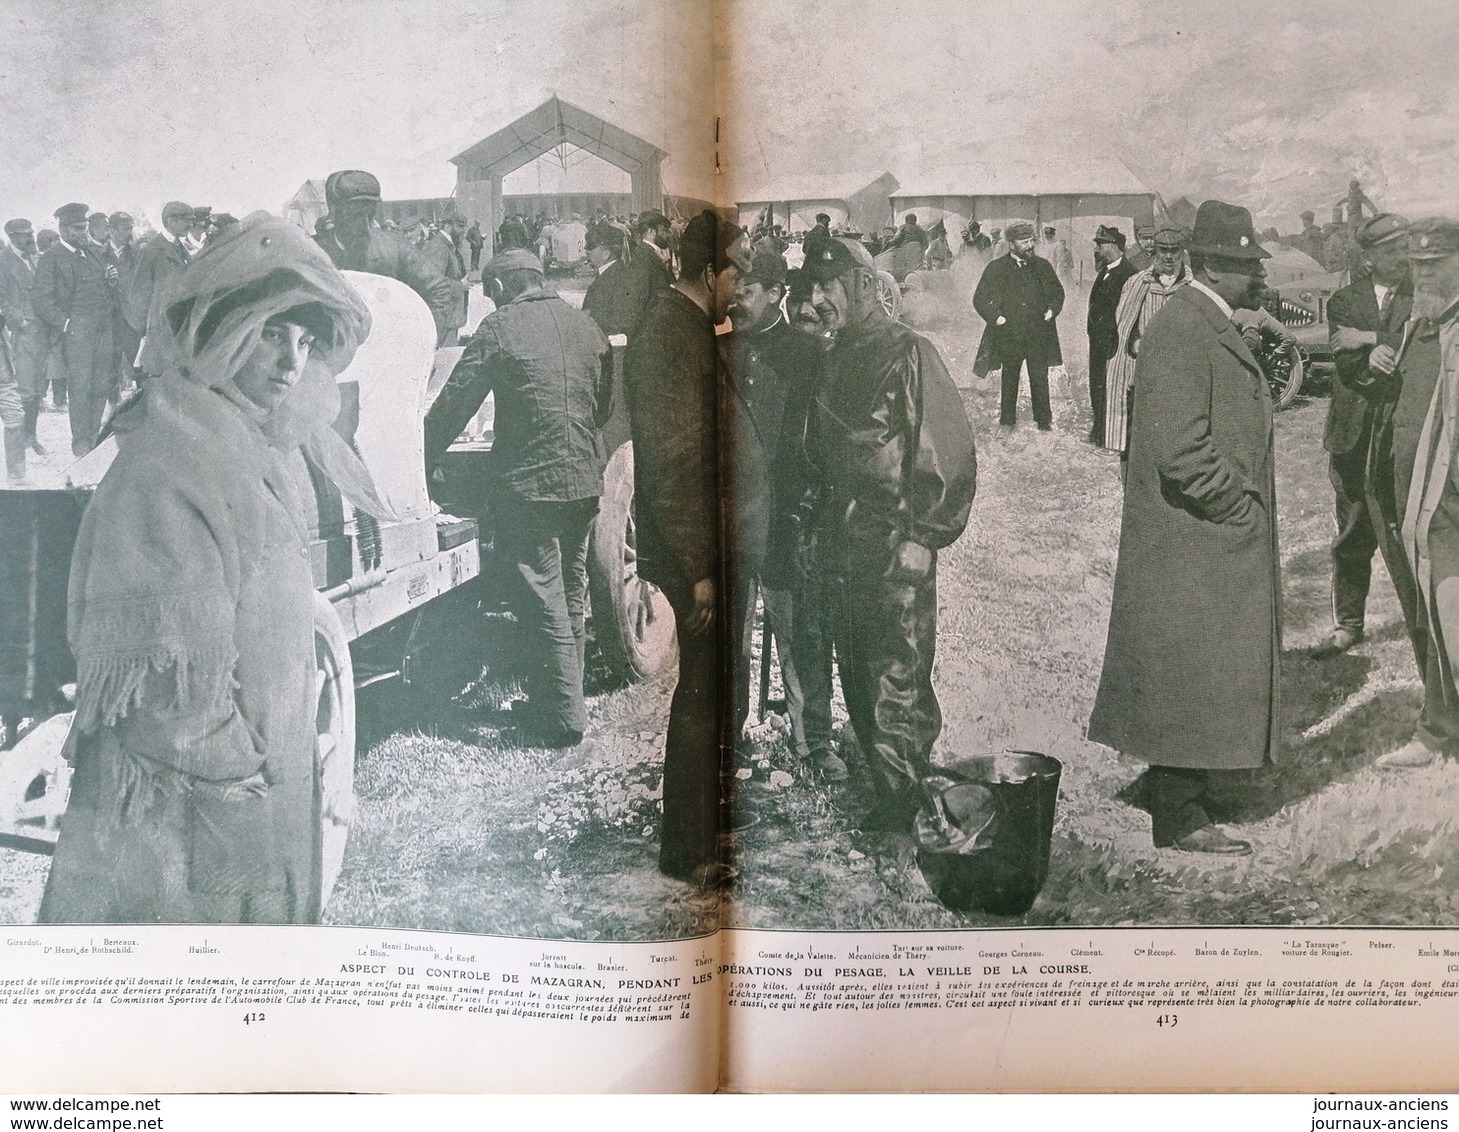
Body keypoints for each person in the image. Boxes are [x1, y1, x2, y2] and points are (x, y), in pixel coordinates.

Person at [39, 213, 372, 924]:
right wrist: (243, 785)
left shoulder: (251, 451)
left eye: (305, 342)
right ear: (222, 336)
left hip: (253, 791)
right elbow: (167, 694)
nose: (290, 361)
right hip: (183, 826)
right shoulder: (172, 464)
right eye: (272, 335)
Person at [1088, 200, 1278, 855]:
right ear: (1214, 266)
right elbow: (1177, 447)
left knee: (1194, 660)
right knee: (1187, 664)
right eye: (1245, 266)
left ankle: (1184, 780)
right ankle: (1179, 813)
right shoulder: (1182, 325)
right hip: (1194, 530)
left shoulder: (1203, 319)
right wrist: (1236, 506)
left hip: (1200, 531)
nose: (1255, 278)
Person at [799, 236, 977, 833]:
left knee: (895, 675)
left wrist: (923, 536)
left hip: (893, 542)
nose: (819, 300)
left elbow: (945, 452)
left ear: (860, 286)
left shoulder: (910, 352)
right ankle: (891, 793)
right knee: (856, 669)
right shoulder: (830, 357)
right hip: (840, 545)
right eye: (812, 288)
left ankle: (909, 813)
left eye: (831, 287)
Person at [424, 249, 612, 748]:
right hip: (585, 480)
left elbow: (455, 403)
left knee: (540, 593)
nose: (491, 303)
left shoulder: (500, 328)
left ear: (503, 287)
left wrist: (418, 456)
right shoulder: (586, 324)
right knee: (570, 587)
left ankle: (563, 719)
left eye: (491, 294)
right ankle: (561, 700)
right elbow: (604, 404)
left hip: (531, 484)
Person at [623, 210, 734, 886]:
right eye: (734, 272)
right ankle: (689, 850)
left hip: (706, 545)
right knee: (701, 691)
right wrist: (699, 568)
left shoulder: (688, 327)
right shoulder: (669, 334)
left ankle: (700, 832)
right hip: (699, 552)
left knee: (709, 689)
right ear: (704, 272)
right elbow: (670, 464)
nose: (740, 284)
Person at [720, 245, 828, 775]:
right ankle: (730, 733)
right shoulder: (718, 352)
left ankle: (814, 742)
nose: (736, 302)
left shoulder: (810, 355)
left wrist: (808, 505)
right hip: (734, 517)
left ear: (777, 293)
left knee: (798, 629)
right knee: (729, 635)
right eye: (733, 292)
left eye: (747, 292)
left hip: (789, 514)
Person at [1307, 214, 1415, 660]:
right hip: (1353, 436)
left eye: (1404, 245)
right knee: (1352, 533)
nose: (1401, 255)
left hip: (1400, 435)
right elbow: (1345, 361)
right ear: (1369, 258)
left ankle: (1422, 619)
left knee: (1408, 530)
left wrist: (1371, 338)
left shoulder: (1420, 295)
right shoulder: (1344, 301)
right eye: (1390, 249)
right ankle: (1348, 624)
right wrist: (1369, 355)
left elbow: (1418, 339)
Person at [1376, 218, 1459, 770]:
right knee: (1431, 610)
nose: (1423, 275)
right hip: (1415, 502)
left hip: (1447, 500)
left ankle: (1436, 732)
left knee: (1449, 607)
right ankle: (1438, 724)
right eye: (1416, 265)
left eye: (1435, 265)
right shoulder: (1417, 322)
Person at [312, 170, 457, 346]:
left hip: (385, 352)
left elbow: (439, 289)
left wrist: (422, 342)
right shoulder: (311, 252)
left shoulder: (396, 247)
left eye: (370, 215)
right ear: (334, 211)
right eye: (357, 216)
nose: (366, 226)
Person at [33, 202, 117, 456]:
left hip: (103, 328)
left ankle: (92, 438)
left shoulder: (92, 253)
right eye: (80, 229)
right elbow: (41, 299)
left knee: (101, 384)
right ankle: (81, 443)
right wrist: (66, 324)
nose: (85, 233)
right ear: (65, 230)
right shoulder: (51, 258)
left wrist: (111, 280)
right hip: (77, 332)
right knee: (81, 387)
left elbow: (102, 288)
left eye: (86, 227)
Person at [1103, 226, 1191, 454]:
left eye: (1174, 250)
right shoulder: (1138, 282)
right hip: (1144, 371)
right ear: (1156, 252)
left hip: (1181, 373)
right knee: (1138, 444)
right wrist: (1135, 343)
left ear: (1182, 252)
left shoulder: (1191, 286)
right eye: (1163, 250)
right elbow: (1122, 327)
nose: (1169, 256)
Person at [972, 219, 1065, 431]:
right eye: (1024, 242)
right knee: (1009, 377)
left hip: (1038, 334)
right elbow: (980, 298)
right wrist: (996, 318)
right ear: (1011, 244)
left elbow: (1058, 293)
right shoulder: (996, 268)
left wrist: (1052, 310)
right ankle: (1007, 421)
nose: (1030, 245)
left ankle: (1044, 422)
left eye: (1031, 240)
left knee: (1039, 377)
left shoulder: (1043, 266)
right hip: (1008, 335)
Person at [125, 200, 194, 379]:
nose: (190, 224)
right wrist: (147, 329)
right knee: (159, 378)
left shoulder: (180, 248)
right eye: (186, 219)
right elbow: (138, 294)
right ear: (171, 221)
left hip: (180, 327)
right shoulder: (152, 251)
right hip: (160, 329)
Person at [1086, 225, 1137, 447]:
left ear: (1114, 246)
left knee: (1112, 389)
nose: (1097, 249)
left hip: (1114, 344)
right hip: (1098, 343)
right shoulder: (1104, 271)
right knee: (1097, 386)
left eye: (1101, 244)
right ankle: (1099, 431)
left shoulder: (1129, 275)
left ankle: (1110, 435)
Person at [0, 219, 46, 463]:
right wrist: (19, 322)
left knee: (38, 386)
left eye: (31, 232)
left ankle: (32, 434)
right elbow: (2, 299)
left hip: (41, 330)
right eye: (24, 235)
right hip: (21, 333)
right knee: (25, 386)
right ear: (11, 236)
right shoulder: (3, 261)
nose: (30, 237)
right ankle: (25, 437)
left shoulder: (34, 257)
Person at [581, 222, 658, 342]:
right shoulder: (616, 273)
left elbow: (622, 324)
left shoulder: (617, 278)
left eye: (590, 248)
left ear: (606, 254)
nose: (587, 252)